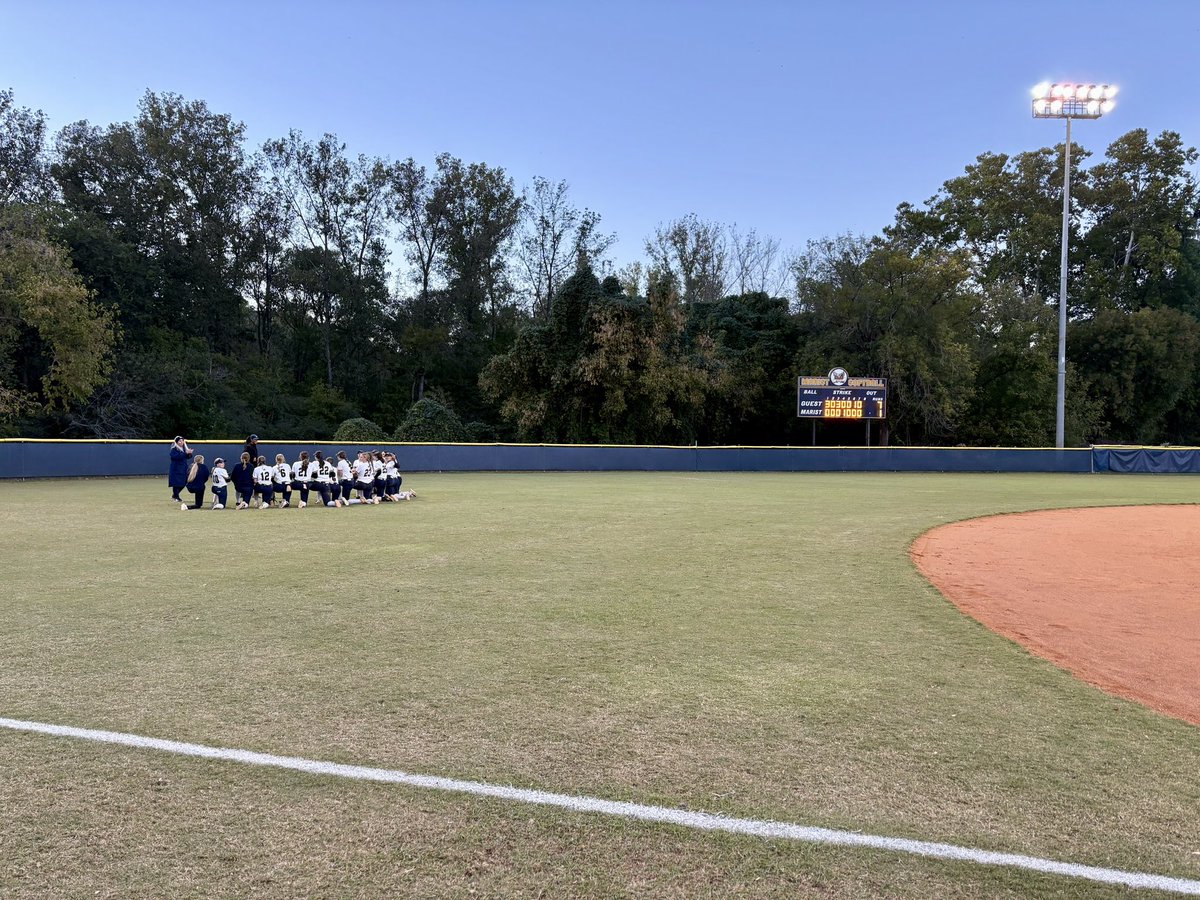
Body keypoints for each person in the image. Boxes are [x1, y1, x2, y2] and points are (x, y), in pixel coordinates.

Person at [168, 436, 193, 502]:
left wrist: (189, 453)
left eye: (182, 441)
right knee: (176, 483)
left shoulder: (184, 448)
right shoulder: (174, 449)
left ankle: (175, 495)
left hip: (183, 468)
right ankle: (176, 496)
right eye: (179, 441)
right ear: (176, 442)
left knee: (185, 481)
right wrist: (185, 453)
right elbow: (175, 457)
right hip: (176, 468)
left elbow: (187, 457)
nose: (181, 442)